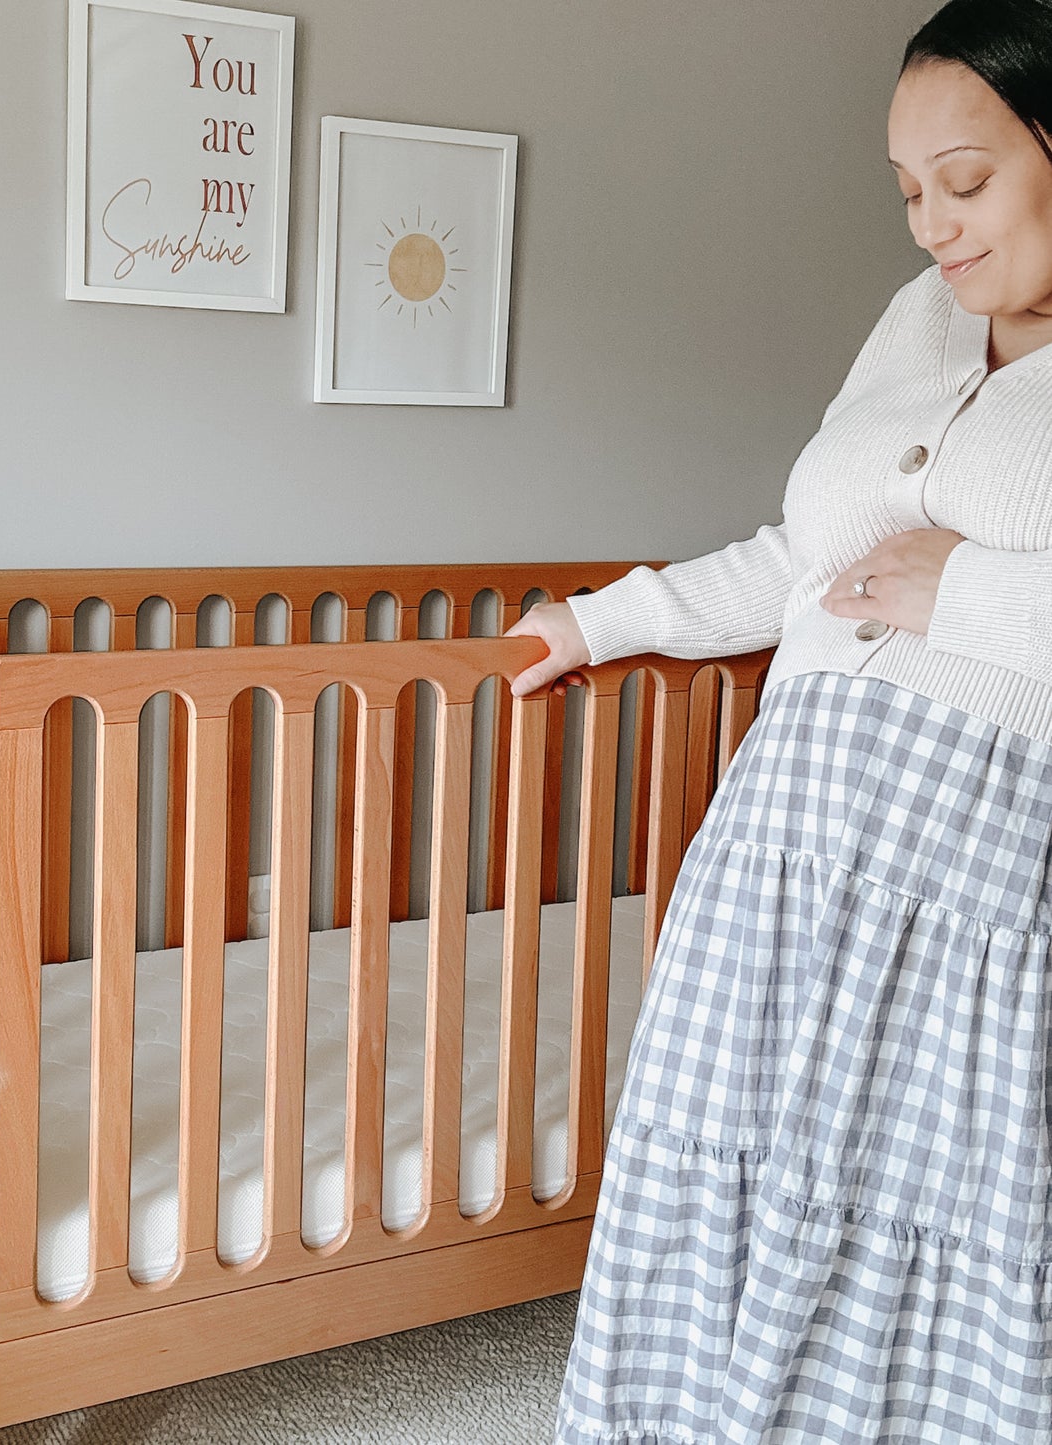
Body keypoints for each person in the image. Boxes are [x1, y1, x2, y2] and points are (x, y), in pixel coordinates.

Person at [508, 2, 1052, 1440]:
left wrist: (976, 597)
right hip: (780, 835)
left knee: (916, 1208)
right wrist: (602, 619)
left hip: (971, 874)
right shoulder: (917, 319)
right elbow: (806, 553)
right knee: (714, 1161)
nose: (932, 226)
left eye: (965, 180)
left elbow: (942, 583)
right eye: (907, 194)